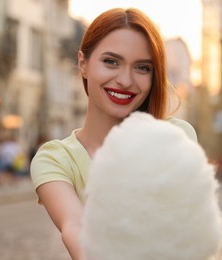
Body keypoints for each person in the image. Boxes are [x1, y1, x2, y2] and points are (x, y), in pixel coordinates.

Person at [30, 8, 198, 260]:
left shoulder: (176, 135)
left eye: (142, 68)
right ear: (83, 63)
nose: (125, 80)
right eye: (111, 61)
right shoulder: (55, 159)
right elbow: (75, 228)